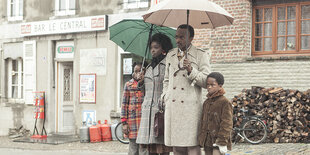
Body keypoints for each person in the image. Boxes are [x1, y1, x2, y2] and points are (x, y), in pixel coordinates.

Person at [161, 24, 211, 155]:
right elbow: (166, 79)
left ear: (191, 38)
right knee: (177, 146)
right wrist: (165, 95)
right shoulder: (171, 55)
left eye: (182, 37)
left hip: (191, 108)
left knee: (192, 146)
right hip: (173, 106)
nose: (178, 40)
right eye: (176, 37)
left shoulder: (200, 55)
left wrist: (191, 70)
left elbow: (207, 81)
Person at [136, 33, 173, 155]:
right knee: (149, 148)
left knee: (161, 148)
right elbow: (145, 91)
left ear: (163, 48)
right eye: (151, 47)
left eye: (156, 47)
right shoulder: (148, 67)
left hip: (160, 110)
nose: (152, 50)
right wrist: (141, 82)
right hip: (147, 111)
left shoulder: (168, 65)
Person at [198, 72, 233, 155]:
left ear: (220, 86)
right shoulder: (206, 102)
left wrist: (222, 142)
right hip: (207, 141)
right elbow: (203, 121)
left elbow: (227, 123)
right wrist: (202, 138)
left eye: (213, 85)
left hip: (218, 141)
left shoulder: (225, 102)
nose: (209, 87)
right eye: (207, 85)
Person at [121, 62, 145, 155]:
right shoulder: (128, 85)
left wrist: (142, 82)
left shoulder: (146, 84)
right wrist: (124, 123)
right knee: (133, 150)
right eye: (136, 71)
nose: (138, 73)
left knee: (144, 149)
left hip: (143, 121)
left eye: (140, 71)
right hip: (132, 122)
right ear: (132, 72)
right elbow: (124, 104)